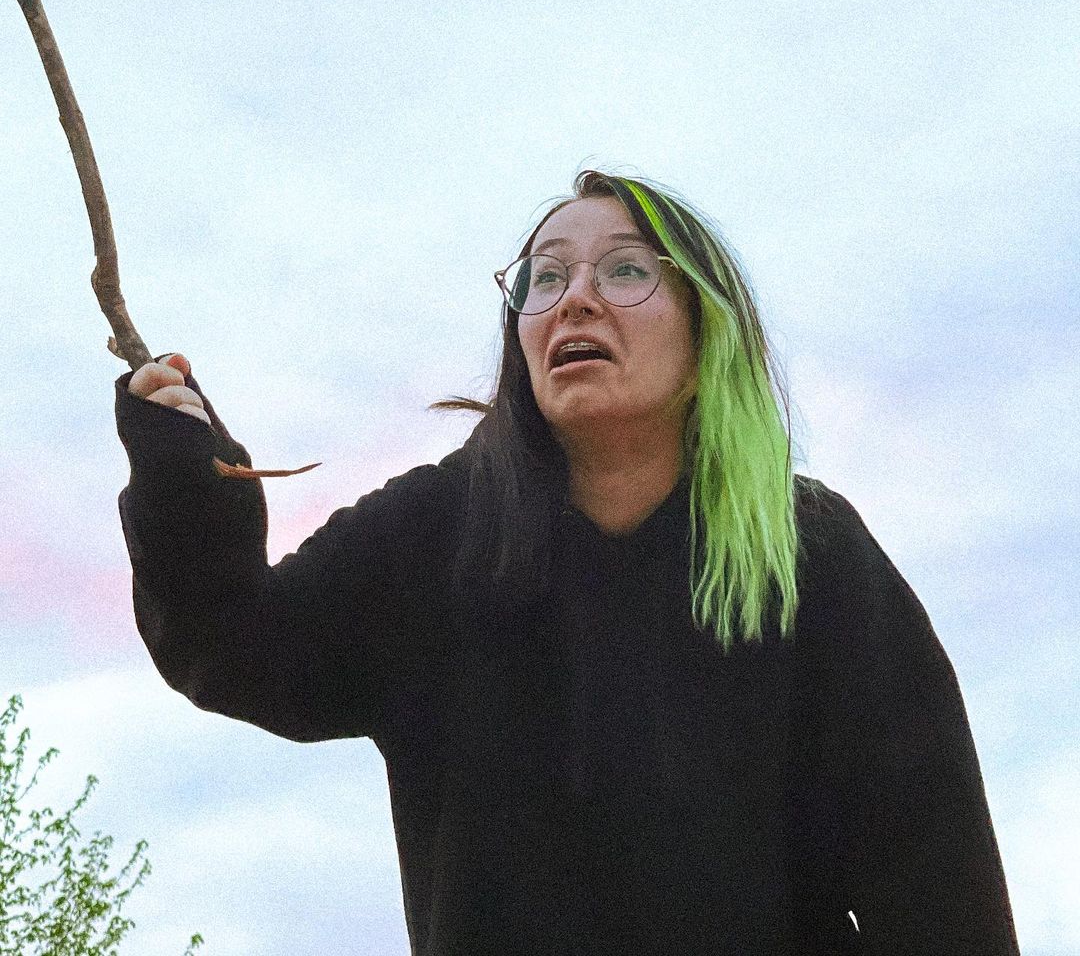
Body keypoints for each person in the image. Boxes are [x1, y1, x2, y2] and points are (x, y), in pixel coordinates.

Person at [114, 170, 1020, 955]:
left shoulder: (809, 555)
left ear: (706, 328)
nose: (574, 298)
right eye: (544, 278)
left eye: (625, 269)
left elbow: (936, 884)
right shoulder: (433, 536)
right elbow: (235, 646)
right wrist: (186, 477)